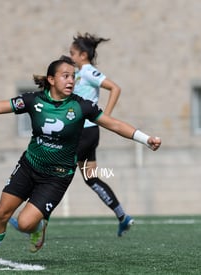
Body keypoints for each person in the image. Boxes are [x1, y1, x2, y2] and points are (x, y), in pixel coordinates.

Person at [0, 56, 161, 268]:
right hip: (29, 166)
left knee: (25, 223)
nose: (70, 81)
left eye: (73, 77)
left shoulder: (81, 106)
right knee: (1, 213)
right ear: (51, 79)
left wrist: (146, 139)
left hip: (57, 176)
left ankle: (39, 226)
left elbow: (113, 124)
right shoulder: (33, 100)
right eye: (65, 76)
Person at [69, 32, 132, 236]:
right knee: (91, 178)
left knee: (57, 172)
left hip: (85, 132)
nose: (70, 57)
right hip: (86, 133)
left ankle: (37, 222)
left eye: (73, 53)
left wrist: (106, 116)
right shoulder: (78, 73)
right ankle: (123, 216)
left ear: (83, 55)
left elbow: (114, 88)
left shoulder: (88, 71)